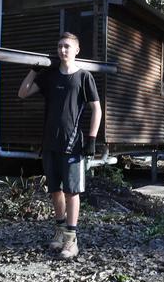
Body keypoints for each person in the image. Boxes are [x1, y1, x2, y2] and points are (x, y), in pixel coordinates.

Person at [18, 31, 102, 258]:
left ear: (76, 49)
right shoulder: (50, 77)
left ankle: (71, 240)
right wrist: (33, 71)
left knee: (71, 191)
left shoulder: (84, 77)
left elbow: (97, 109)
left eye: (66, 46)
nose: (62, 50)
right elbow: (23, 93)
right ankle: (59, 231)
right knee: (55, 190)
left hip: (73, 144)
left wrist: (92, 139)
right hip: (49, 144)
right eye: (59, 47)